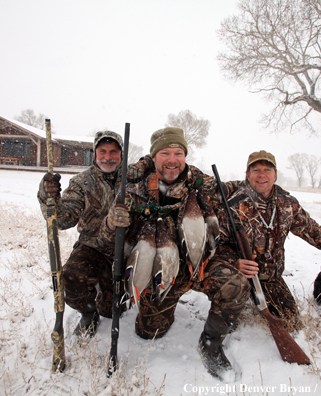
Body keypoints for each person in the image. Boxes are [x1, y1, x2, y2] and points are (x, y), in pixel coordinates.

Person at [101, 127, 250, 380]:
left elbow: (234, 194)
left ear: (185, 155)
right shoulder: (133, 187)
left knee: (235, 283)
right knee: (150, 332)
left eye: (178, 152)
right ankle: (159, 304)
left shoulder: (200, 182)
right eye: (164, 153)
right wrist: (110, 222)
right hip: (161, 269)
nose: (172, 159)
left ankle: (211, 343)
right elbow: (108, 241)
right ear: (154, 157)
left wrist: (260, 177)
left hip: (199, 265)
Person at [217, 150, 321, 331]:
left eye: (267, 169)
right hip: (240, 274)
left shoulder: (287, 203)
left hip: (270, 276)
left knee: (291, 322)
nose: (261, 175)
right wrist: (234, 262)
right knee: (228, 320)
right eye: (255, 170)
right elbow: (215, 244)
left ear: (275, 175)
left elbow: (311, 230)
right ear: (248, 175)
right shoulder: (234, 204)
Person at [38, 130, 125, 337]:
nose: (107, 157)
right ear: (94, 153)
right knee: (71, 277)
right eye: (102, 151)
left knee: (112, 310)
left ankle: (110, 295)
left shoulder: (133, 178)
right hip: (92, 247)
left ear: (122, 154)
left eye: (114, 151)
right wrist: (47, 196)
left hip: (126, 249)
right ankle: (88, 312)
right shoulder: (81, 182)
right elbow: (62, 219)